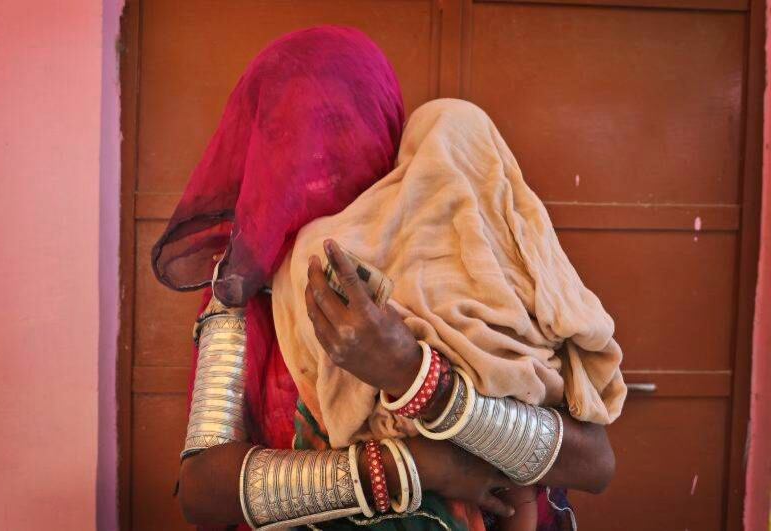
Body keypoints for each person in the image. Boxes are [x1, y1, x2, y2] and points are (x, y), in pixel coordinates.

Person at [153, 26, 616, 531]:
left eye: (336, 128)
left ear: (384, 129)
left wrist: (412, 375)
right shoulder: (239, 288)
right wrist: (413, 468)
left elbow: (593, 463)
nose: (311, 165)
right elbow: (201, 493)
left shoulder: (447, 252)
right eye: (285, 139)